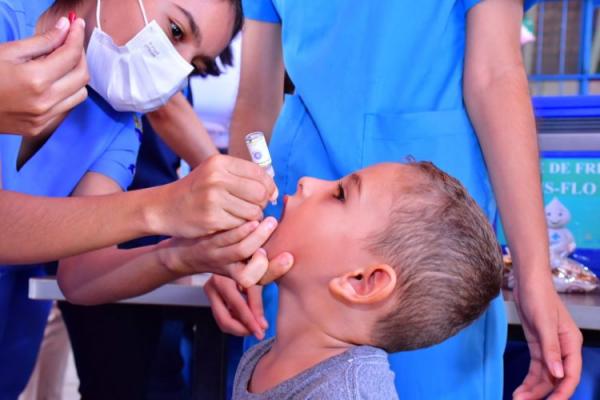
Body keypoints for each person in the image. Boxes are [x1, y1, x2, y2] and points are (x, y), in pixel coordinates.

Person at [210, 0, 583, 399]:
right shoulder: (301, 201)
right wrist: (233, 232)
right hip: (289, 221)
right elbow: (256, 98)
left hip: (427, 244)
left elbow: (496, 75)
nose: (312, 185)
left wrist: (533, 275)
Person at [0, 0, 288, 398]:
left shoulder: (117, 123)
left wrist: (181, 255)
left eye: (196, 64)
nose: (177, 70)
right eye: (175, 32)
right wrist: (165, 206)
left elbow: (80, 275)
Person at [230, 161, 503, 399]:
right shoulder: (261, 359)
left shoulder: (346, 393)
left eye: (339, 195)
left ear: (362, 282)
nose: (307, 182)